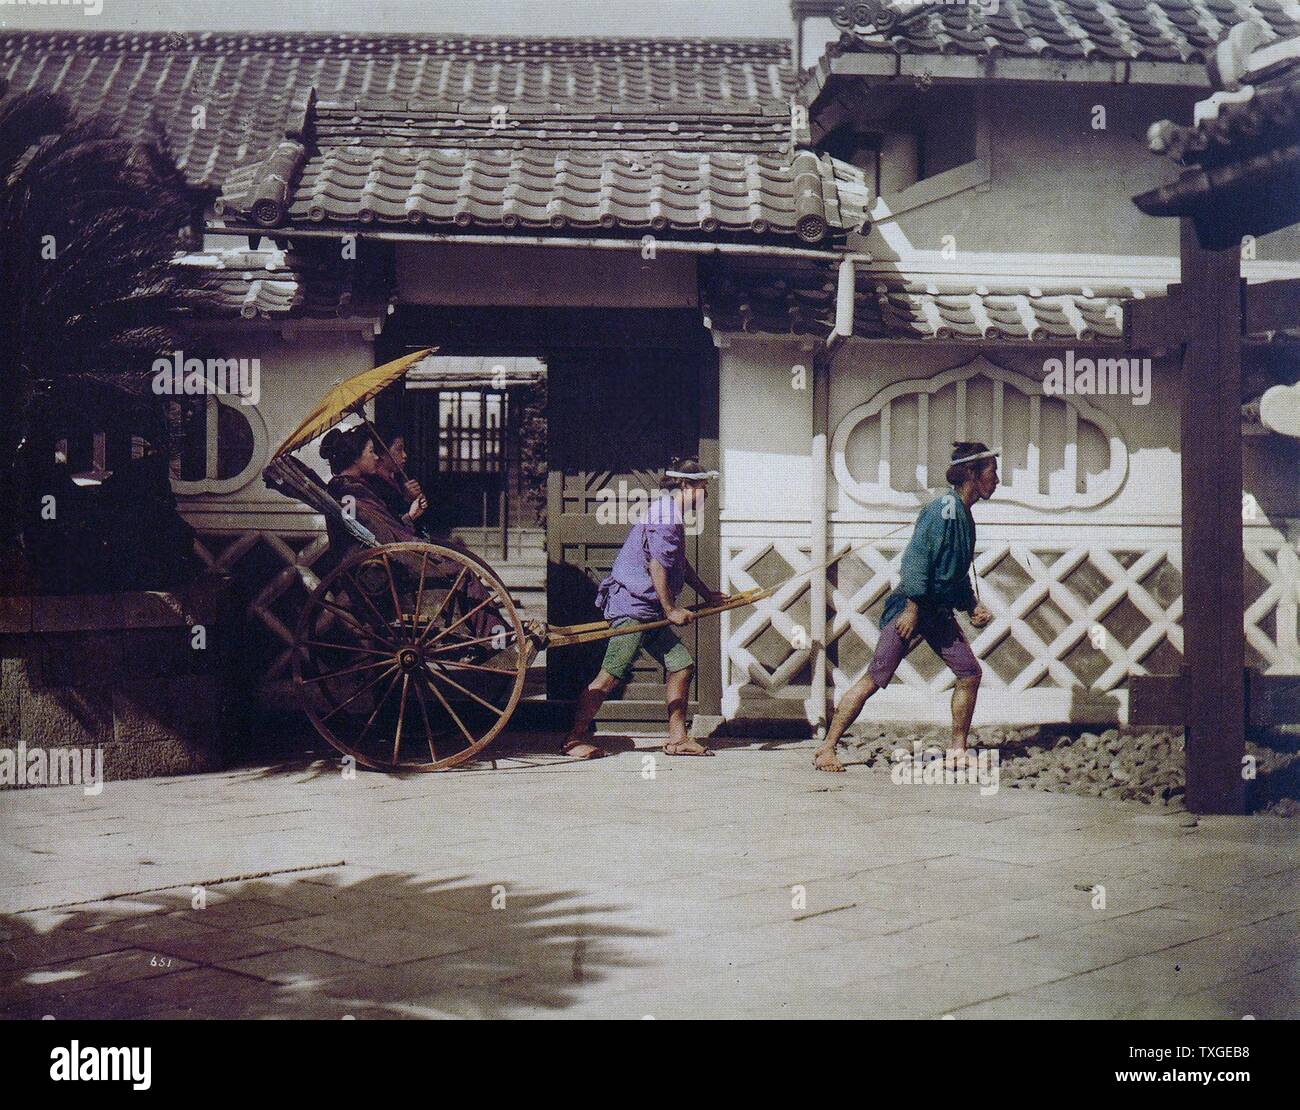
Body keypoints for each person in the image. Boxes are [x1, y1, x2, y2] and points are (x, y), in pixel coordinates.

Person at [813, 441, 997, 773]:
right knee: (875, 677)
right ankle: (827, 747)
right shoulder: (941, 508)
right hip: (910, 609)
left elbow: (953, 574)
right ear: (972, 473)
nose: (997, 480)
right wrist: (912, 609)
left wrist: (971, 607)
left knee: (969, 673)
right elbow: (916, 560)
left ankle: (958, 750)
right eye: (992, 472)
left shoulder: (964, 516)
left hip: (938, 613)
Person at [563, 458, 727, 759]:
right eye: (703, 487)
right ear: (685, 486)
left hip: (648, 607)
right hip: (633, 606)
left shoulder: (671, 513)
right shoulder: (665, 517)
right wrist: (670, 610)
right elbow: (656, 565)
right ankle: (573, 739)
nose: (706, 494)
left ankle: (678, 739)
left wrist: (707, 593)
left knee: (681, 665)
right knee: (610, 676)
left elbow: (676, 562)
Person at [365, 431, 430, 537]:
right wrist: (407, 501)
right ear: (382, 453)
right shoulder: (375, 486)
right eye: (399, 449)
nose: (405, 455)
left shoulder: (393, 481)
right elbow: (391, 523)